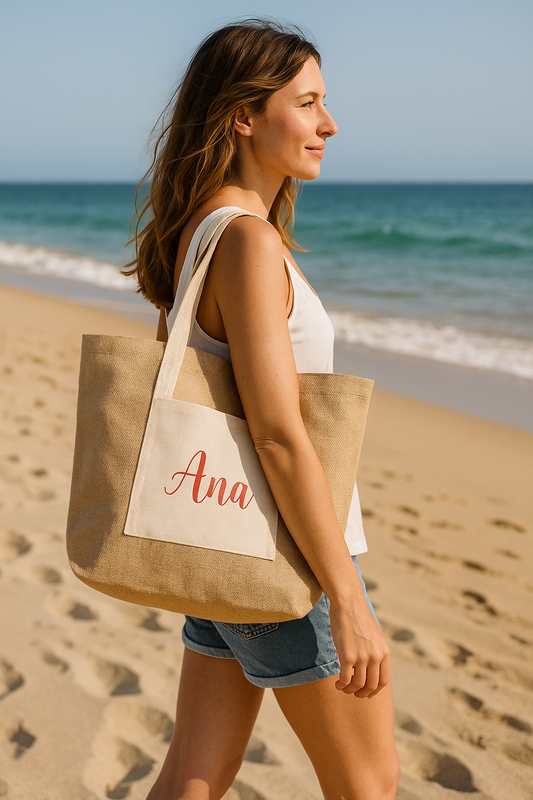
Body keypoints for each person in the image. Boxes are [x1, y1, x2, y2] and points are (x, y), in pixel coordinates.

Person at [126, 19, 400, 800]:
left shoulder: (202, 229)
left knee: (194, 773)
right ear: (243, 116)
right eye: (307, 103)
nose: (328, 123)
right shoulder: (245, 241)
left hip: (220, 539)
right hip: (279, 553)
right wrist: (345, 600)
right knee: (369, 783)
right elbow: (277, 437)